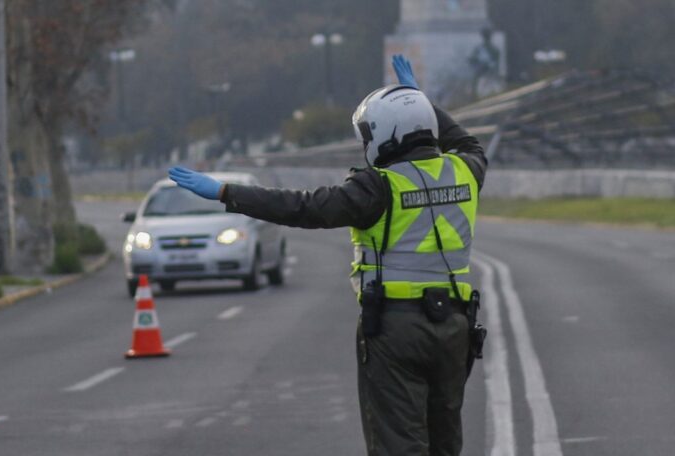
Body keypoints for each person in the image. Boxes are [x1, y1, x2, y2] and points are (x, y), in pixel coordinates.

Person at [168, 55, 487, 456]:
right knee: (445, 442)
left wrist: (225, 192)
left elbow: (303, 208)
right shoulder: (465, 170)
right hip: (454, 327)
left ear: (385, 134)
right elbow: (467, 141)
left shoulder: (378, 186)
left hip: (397, 328)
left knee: (399, 444)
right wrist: (421, 101)